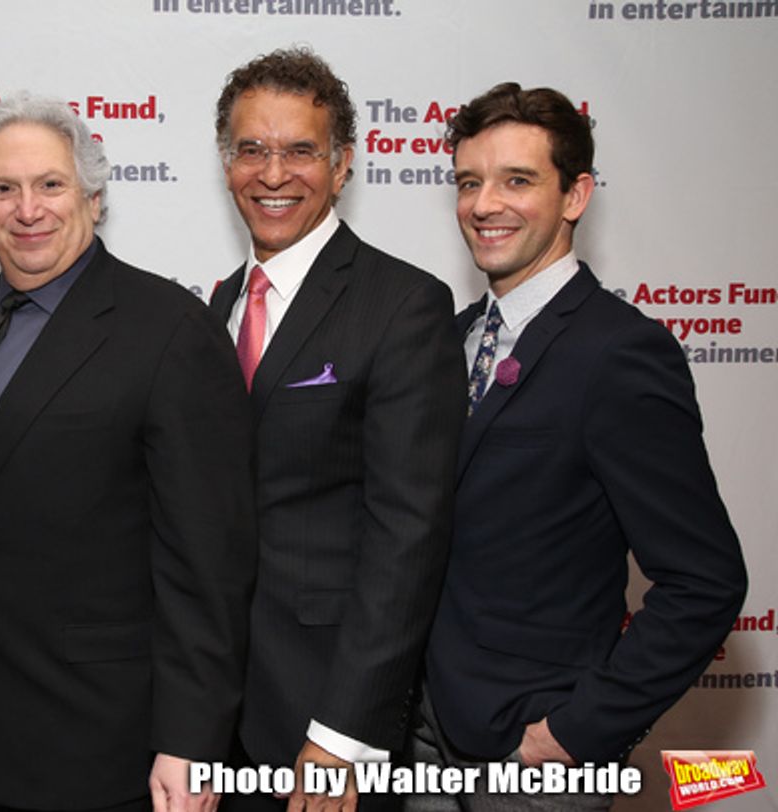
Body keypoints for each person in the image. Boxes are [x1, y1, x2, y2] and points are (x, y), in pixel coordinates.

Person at [0, 93, 256, 812]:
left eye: (50, 185)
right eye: (3, 189)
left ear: (94, 200)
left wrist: (192, 740)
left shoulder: (168, 329)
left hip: (100, 747)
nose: (26, 209)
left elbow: (208, 563)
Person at [409, 82, 749, 810]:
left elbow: (705, 580)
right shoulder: (448, 337)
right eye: (469, 182)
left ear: (576, 195)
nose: (484, 204)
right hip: (419, 735)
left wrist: (574, 732)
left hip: (534, 758)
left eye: (517, 180)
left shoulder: (620, 354)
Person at [207, 47, 467, 810]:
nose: (273, 173)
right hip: (217, 717)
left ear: (343, 163)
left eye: (300, 151)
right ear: (227, 163)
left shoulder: (403, 305)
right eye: (252, 149)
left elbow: (409, 537)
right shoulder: (217, 304)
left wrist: (344, 734)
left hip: (326, 728)